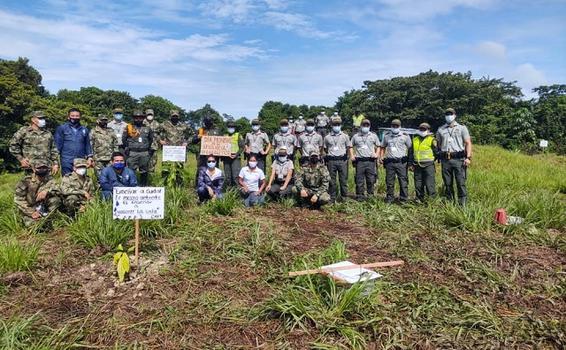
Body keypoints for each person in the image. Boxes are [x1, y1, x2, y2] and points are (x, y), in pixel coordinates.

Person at [436, 108, 472, 205]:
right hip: (445, 160)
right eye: (447, 114)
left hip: (458, 159)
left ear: (455, 115)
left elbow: (468, 143)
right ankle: (449, 203)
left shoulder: (462, 128)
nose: (449, 116)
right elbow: (438, 144)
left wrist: (468, 158)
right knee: (447, 183)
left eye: (450, 114)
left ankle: (462, 204)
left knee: (460, 183)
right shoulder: (440, 129)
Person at [9, 110, 59, 175]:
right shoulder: (24, 131)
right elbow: (13, 145)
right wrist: (21, 159)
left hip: (46, 168)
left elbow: (53, 149)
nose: (43, 120)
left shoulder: (48, 133)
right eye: (40, 118)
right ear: (33, 119)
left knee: (48, 185)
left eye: (43, 118)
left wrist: (55, 164)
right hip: (30, 168)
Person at [14, 160, 61, 226]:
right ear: (33, 169)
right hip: (29, 208)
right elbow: (18, 199)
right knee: (35, 225)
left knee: (56, 200)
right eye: (39, 168)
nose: (42, 170)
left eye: (44, 168)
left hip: (43, 206)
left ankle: (50, 217)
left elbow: (58, 189)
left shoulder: (50, 179)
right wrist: (32, 212)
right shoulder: (25, 181)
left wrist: (47, 191)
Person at [380, 119, 412, 203]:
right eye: (393, 126)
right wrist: (381, 157)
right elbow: (383, 147)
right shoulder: (387, 136)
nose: (395, 127)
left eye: (396, 126)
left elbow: (410, 149)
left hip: (401, 162)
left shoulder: (405, 136)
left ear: (400, 127)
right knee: (389, 181)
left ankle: (403, 199)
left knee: (403, 181)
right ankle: (390, 198)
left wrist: (410, 161)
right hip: (390, 162)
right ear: (391, 126)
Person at [54, 108, 93, 175]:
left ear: (80, 117)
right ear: (68, 117)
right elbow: (57, 146)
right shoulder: (62, 128)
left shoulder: (84, 129)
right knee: (67, 181)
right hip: (67, 160)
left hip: (80, 160)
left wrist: (89, 157)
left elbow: (87, 145)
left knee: (81, 181)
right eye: (73, 116)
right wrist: (55, 162)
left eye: (77, 116)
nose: (75, 117)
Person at [350, 119, 381, 201]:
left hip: (370, 161)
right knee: (359, 180)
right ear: (361, 126)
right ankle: (360, 196)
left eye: (367, 125)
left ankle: (370, 197)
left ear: (369, 126)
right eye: (364, 125)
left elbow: (378, 146)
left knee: (370, 180)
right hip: (359, 161)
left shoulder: (373, 136)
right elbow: (350, 146)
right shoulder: (356, 136)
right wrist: (352, 155)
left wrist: (377, 154)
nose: (365, 127)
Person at [122, 110, 154, 186]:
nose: (138, 119)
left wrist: (146, 148)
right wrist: (128, 147)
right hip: (133, 152)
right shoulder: (129, 127)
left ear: (143, 118)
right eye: (136, 118)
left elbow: (150, 139)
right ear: (133, 118)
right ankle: (132, 186)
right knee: (131, 171)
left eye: (140, 118)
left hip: (144, 152)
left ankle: (143, 186)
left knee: (144, 171)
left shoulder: (147, 128)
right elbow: (124, 139)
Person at [324, 115, 352, 202]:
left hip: (342, 160)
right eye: (335, 124)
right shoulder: (327, 137)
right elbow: (325, 149)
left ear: (341, 125)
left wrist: (344, 156)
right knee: (332, 181)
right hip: (331, 160)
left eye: (338, 124)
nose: (336, 126)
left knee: (343, 180)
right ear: (331, 125)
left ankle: (344, 198)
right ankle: (332, 198)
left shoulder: (345, 136)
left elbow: (348, 147)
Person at [160, 110, 192, 186]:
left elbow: (192, 134)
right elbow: (155, 132)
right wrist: (160, 140)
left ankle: (179, 187)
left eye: (176, 116)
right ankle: (165, 186)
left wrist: (187, 142)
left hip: (179, 152)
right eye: (173, 116)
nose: (175, 118)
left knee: (179, 170)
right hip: (168, 152)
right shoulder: (164, 124)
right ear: (170, 116)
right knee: (166, 169)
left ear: (178, 116)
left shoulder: (184, 125)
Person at [409, 123, 438, 202]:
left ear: (428, 130)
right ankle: (419, 198)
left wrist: (432, 161)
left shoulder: (432, 140)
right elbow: (411, 153)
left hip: (429, 165)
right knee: (418, 183)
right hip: (417, 165)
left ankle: (431, 200)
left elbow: (436, 153)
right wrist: (410, 164)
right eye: (421, 129)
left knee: (430, 184)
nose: (422, 131)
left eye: (424, 129)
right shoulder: (414, 139)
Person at [223, 120, 244, 188]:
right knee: (228, 176)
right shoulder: (224, 135)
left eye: (232, 127)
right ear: (227, 127)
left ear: (235, 128)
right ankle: (229, 191)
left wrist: (236, 154)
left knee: (236, 176)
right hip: (226, 158)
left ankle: (237, 192)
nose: (231, 128)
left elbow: (242, 147)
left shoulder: (238, 135)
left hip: (236, 158)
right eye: (229, 127)